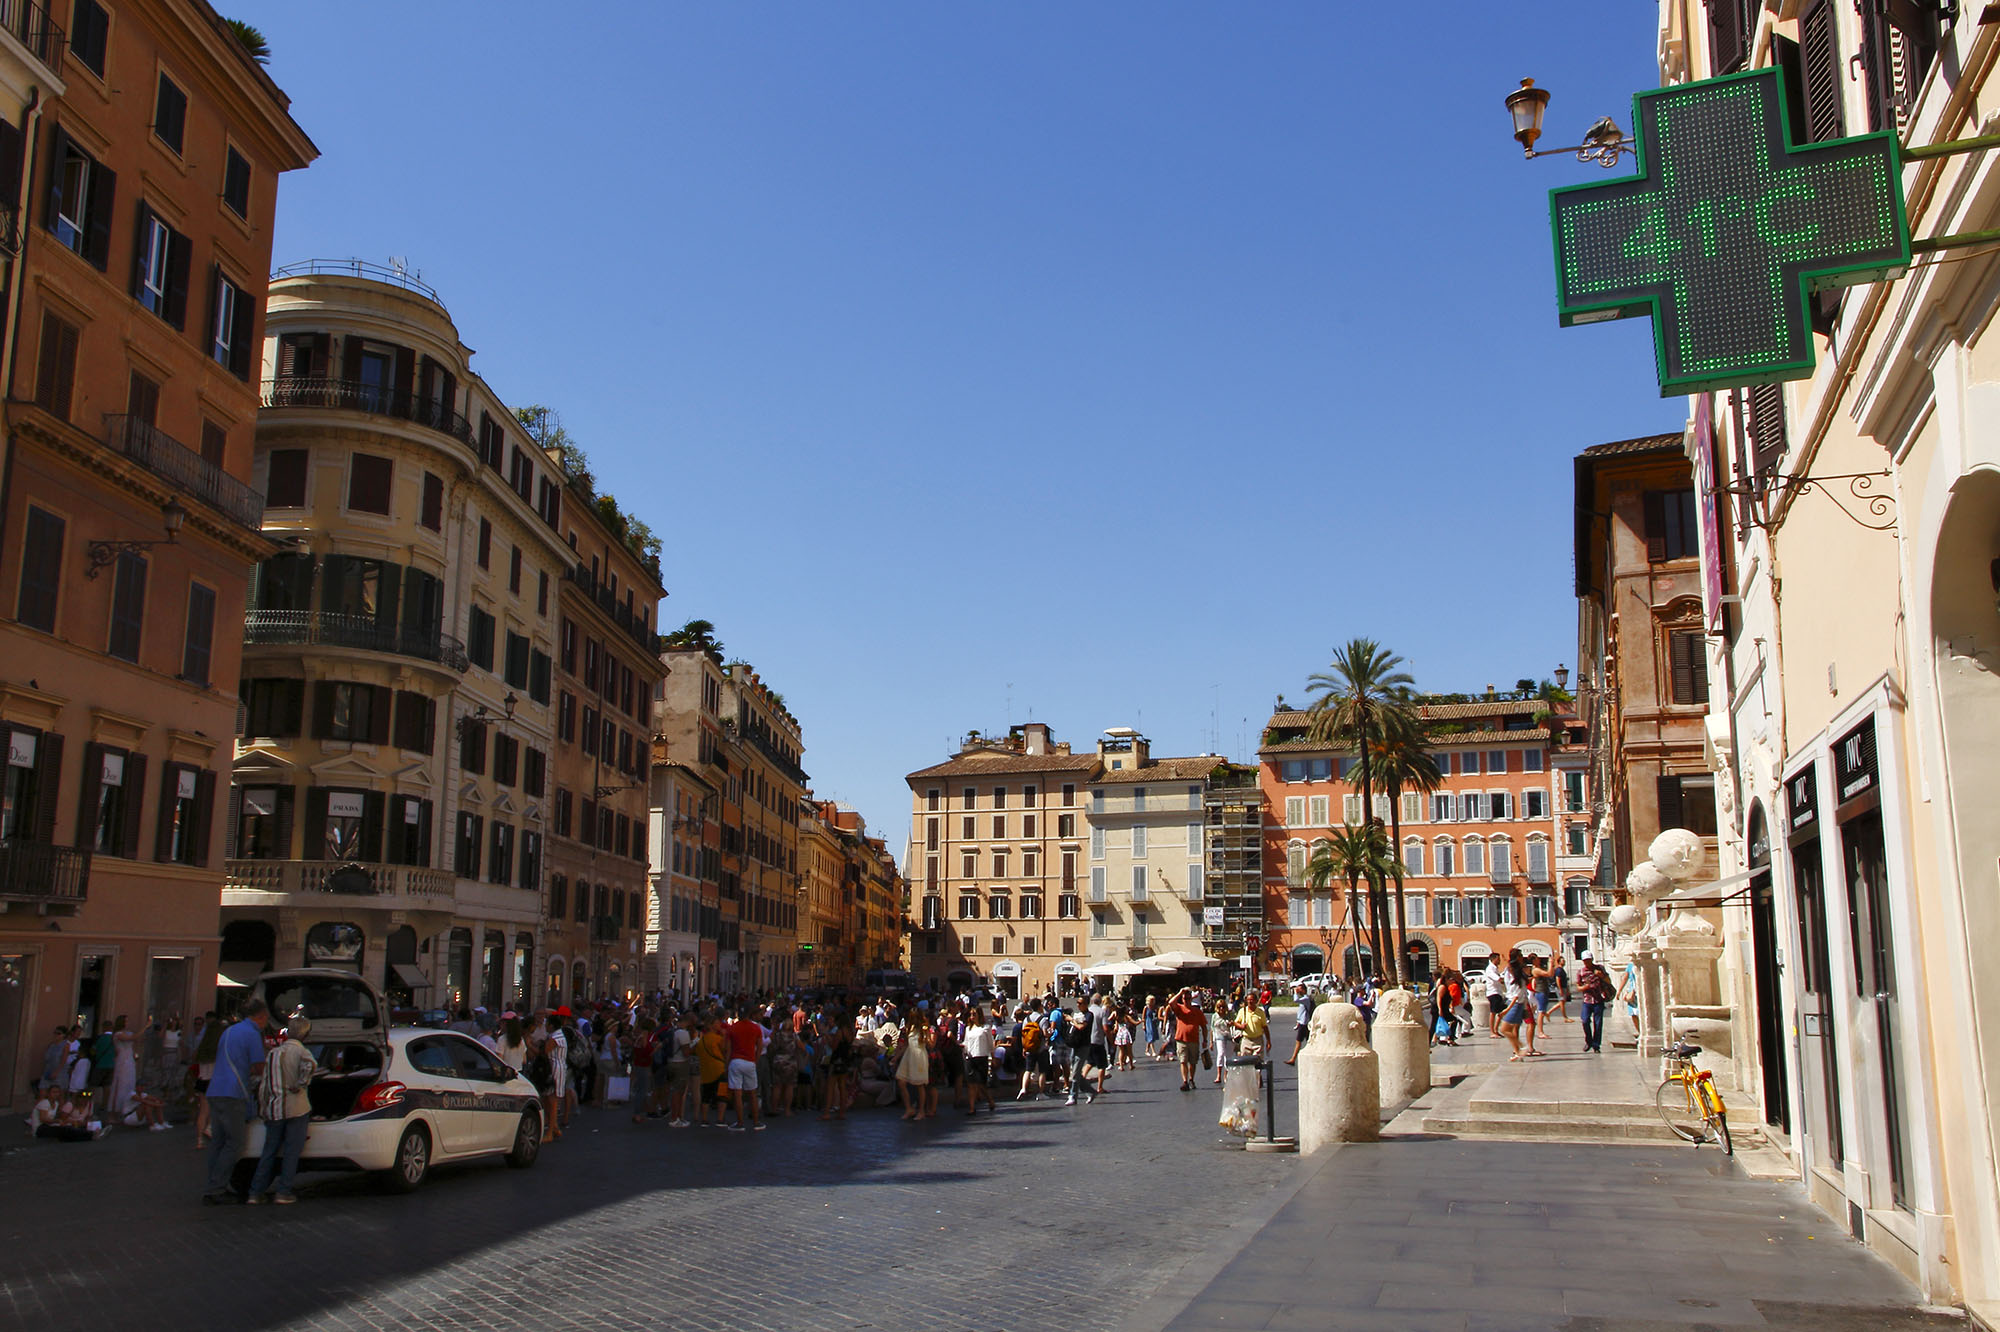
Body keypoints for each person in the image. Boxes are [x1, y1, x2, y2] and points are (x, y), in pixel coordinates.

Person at [201, 998, 270, 1205]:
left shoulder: (230, 1031)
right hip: (233, 1092)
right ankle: (216, 1188)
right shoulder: (252, 1034)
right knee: (235, 1142)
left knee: (218, 1142)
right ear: (260, 1017)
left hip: (215, 1090)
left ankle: (212, 1185)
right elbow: (259, 1066)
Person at [246, 1013, 318, 1204]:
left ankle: (255, 1192)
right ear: (305, 1034)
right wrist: (301, 1083)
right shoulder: (302, 1052)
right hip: (296, 1108)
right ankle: (283, 1191)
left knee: (268, 1151)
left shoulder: (274, 1053)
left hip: (274, 1108)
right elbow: (311, 1066)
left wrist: (263, 1108)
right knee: (291, 1152)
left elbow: (264, 1084)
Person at [724, 1007, 766, 1131]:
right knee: (752, 1092)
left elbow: (728, 1049)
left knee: (738, 1093)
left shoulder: (732, 1028)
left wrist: (726, 1064)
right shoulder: (756, 1028)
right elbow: (759, 1046)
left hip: (735, 1061)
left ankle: (740, 1122)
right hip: (750, 1061)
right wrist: (756, 1060)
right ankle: (756, 1121)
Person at [1167, 989, 1207, 1091]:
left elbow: (1204, 1026)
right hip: (1181, 1039)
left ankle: (1191, 1079)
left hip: (1194, 1040)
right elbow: (1171, 1002)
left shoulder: (1197, 1011)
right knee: (1183, 1061)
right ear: (1182, 999)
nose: (1187, 1000)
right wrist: (1180, 992)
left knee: (1193, 1062)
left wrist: (1205, 1039)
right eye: (1185, 998)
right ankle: (1185, 1081)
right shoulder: (1179, 1008)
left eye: (1189, 998)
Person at [1576, 952, 1614, 1053]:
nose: (1587, 962)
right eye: (1585, 961)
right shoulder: (1581, 972)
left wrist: (1601, 976)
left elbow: (1609, 981)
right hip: (1587, 1000)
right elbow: (1578, 987)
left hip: (1598, 999)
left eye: (1588, 960)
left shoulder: (1600, 968)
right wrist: (1585, 987)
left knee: (1598, 1023)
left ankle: (1596, 1045)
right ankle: (1589, 1040)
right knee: (1585, 1020)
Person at [962, 1007, 996, 1116]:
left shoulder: (985, 1028)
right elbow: (966, 1043)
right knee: (971, 1084)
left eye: (974, 1014)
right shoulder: (968, 1029)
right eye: (971, 1015)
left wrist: (993, 1056)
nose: (972, 1017)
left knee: (981, 1084)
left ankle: (990, 1100)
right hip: (971, 1058)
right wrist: (964, 1051)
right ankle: (972, 1108)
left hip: (982, 1057)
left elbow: (991, 1044)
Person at [1285, 983, 1317, 1066]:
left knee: (1299, 1041)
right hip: (1302, 1022)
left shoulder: (1306, 999)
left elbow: (1295, 1000)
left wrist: (1295, 992)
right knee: (1308, 1041)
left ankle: (1293, 1059)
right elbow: (1301, 1012)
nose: (1298, 991)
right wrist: (1298, 1021)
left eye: (1299, 989)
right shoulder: (1304, 999)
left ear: (1303, 990)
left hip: (1304, 1024)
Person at [1483, 957, 1508, 1036]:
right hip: (1493, 992)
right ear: (1492, 959)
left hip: (1498, 992)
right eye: (1497, 959)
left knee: (1500, 1012)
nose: (1499, 960)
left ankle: (1496, 1030)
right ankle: (1492, 1032)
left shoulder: (1495, 968)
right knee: (1493, 1012)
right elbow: (1498, 979)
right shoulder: (1490, 969)